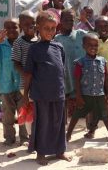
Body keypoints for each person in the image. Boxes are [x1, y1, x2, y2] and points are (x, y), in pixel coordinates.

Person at [23, 11, 71, 165]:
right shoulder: (34, 49)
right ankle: (41, 153)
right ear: (38, 28)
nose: (50, 31)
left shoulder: (59, 47)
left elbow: (61, 69)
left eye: (53, 28)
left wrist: (65, 91)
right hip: (41, 94)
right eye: (46, 28)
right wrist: (25, 95)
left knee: (59, 123)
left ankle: (59, 151)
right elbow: (29, 74)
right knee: (43, 124)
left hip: (58, 93)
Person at [66, 33, 108, 143]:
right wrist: (78, 96)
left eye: (95, 45)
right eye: (90, 45)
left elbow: (105, 77)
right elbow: (77, 80)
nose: (93, 48)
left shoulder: (102, 61)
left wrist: (107, 91)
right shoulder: (80, 62)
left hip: (99, 94)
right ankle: (68, 135)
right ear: (84, 46)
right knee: (76, 115)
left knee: (105, 116)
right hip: (85, 95)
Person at [0, 18, 28, 146]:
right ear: (4, 30)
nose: (11, 30)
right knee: (8, 115)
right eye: (7, 28)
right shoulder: (1, 46)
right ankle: (9, 138)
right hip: (6, 86)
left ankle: (24, 137)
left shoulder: (23, 44)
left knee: (23, 112)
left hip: (22, 86)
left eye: (14, 27)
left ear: (19, 28)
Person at [83, 16, 108, 139]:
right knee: (95, 106)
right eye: (99, 26)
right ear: (95, 28)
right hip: (97, 82)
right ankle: (92, 130)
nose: (103, 29)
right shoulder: (94, 43)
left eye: (105, 25)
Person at [55, 9, 86, 118]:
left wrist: (86, 22)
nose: (69, 22)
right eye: (66, 19)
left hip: (81, 78)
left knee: (84, 108)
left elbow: (96, 34)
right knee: (68, 110)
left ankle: (90, 129)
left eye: (71, 20)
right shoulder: (56, 39)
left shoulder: (81, 34)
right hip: (66, 79)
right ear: (60, 21)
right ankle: (64, 130)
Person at [12, 10, 38, 93]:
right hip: (26, 84)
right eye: (26, 24)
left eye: (33, 23)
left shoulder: (41, 40)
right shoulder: (19, 42)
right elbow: (16, 63)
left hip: (40, 83)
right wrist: (26, 74)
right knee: (29, 105)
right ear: (20, 26)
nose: (31, 26)